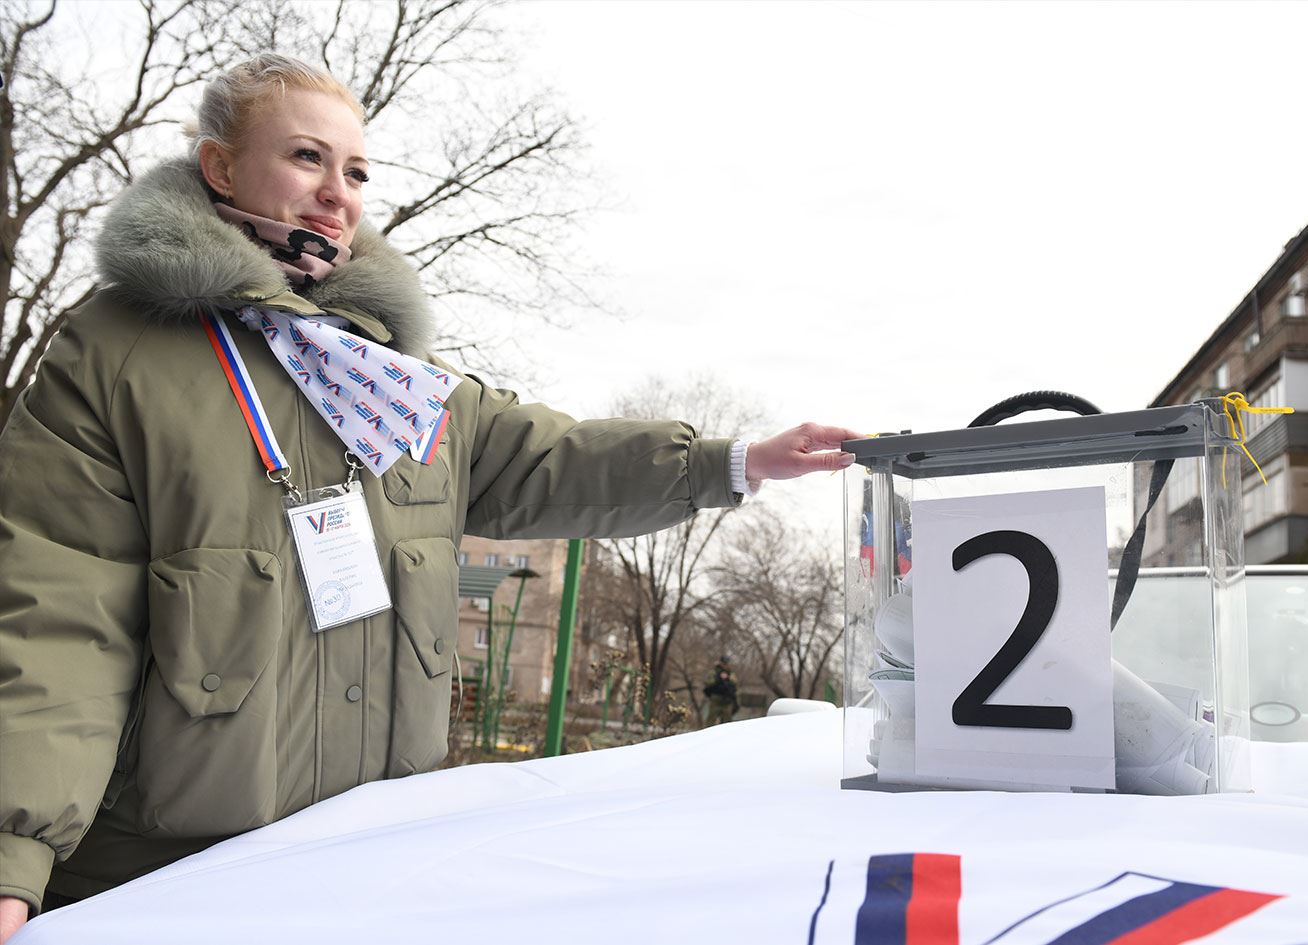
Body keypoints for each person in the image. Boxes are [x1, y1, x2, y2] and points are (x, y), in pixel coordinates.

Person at [0, 53, 860, 939]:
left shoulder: (387, 374)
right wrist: (13, 855)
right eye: (306, 157)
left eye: (356, 171)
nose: (337, 193)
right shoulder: (115, 358)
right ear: (220, 166)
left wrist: (736, 462)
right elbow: (58, 618)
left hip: (369, 865)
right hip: (167, 879)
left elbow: (547, 458)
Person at [703, 655, 740, 725]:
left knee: (727, 722)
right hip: (716, 699)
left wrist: (727, 678)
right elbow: (708, 683)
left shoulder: (730, 673)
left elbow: (735, 683)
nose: (725, 665)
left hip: (727, 700)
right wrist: (719, 678)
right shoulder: (714, 672)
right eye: (724, 663)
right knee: (711, 720)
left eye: (727, 663)